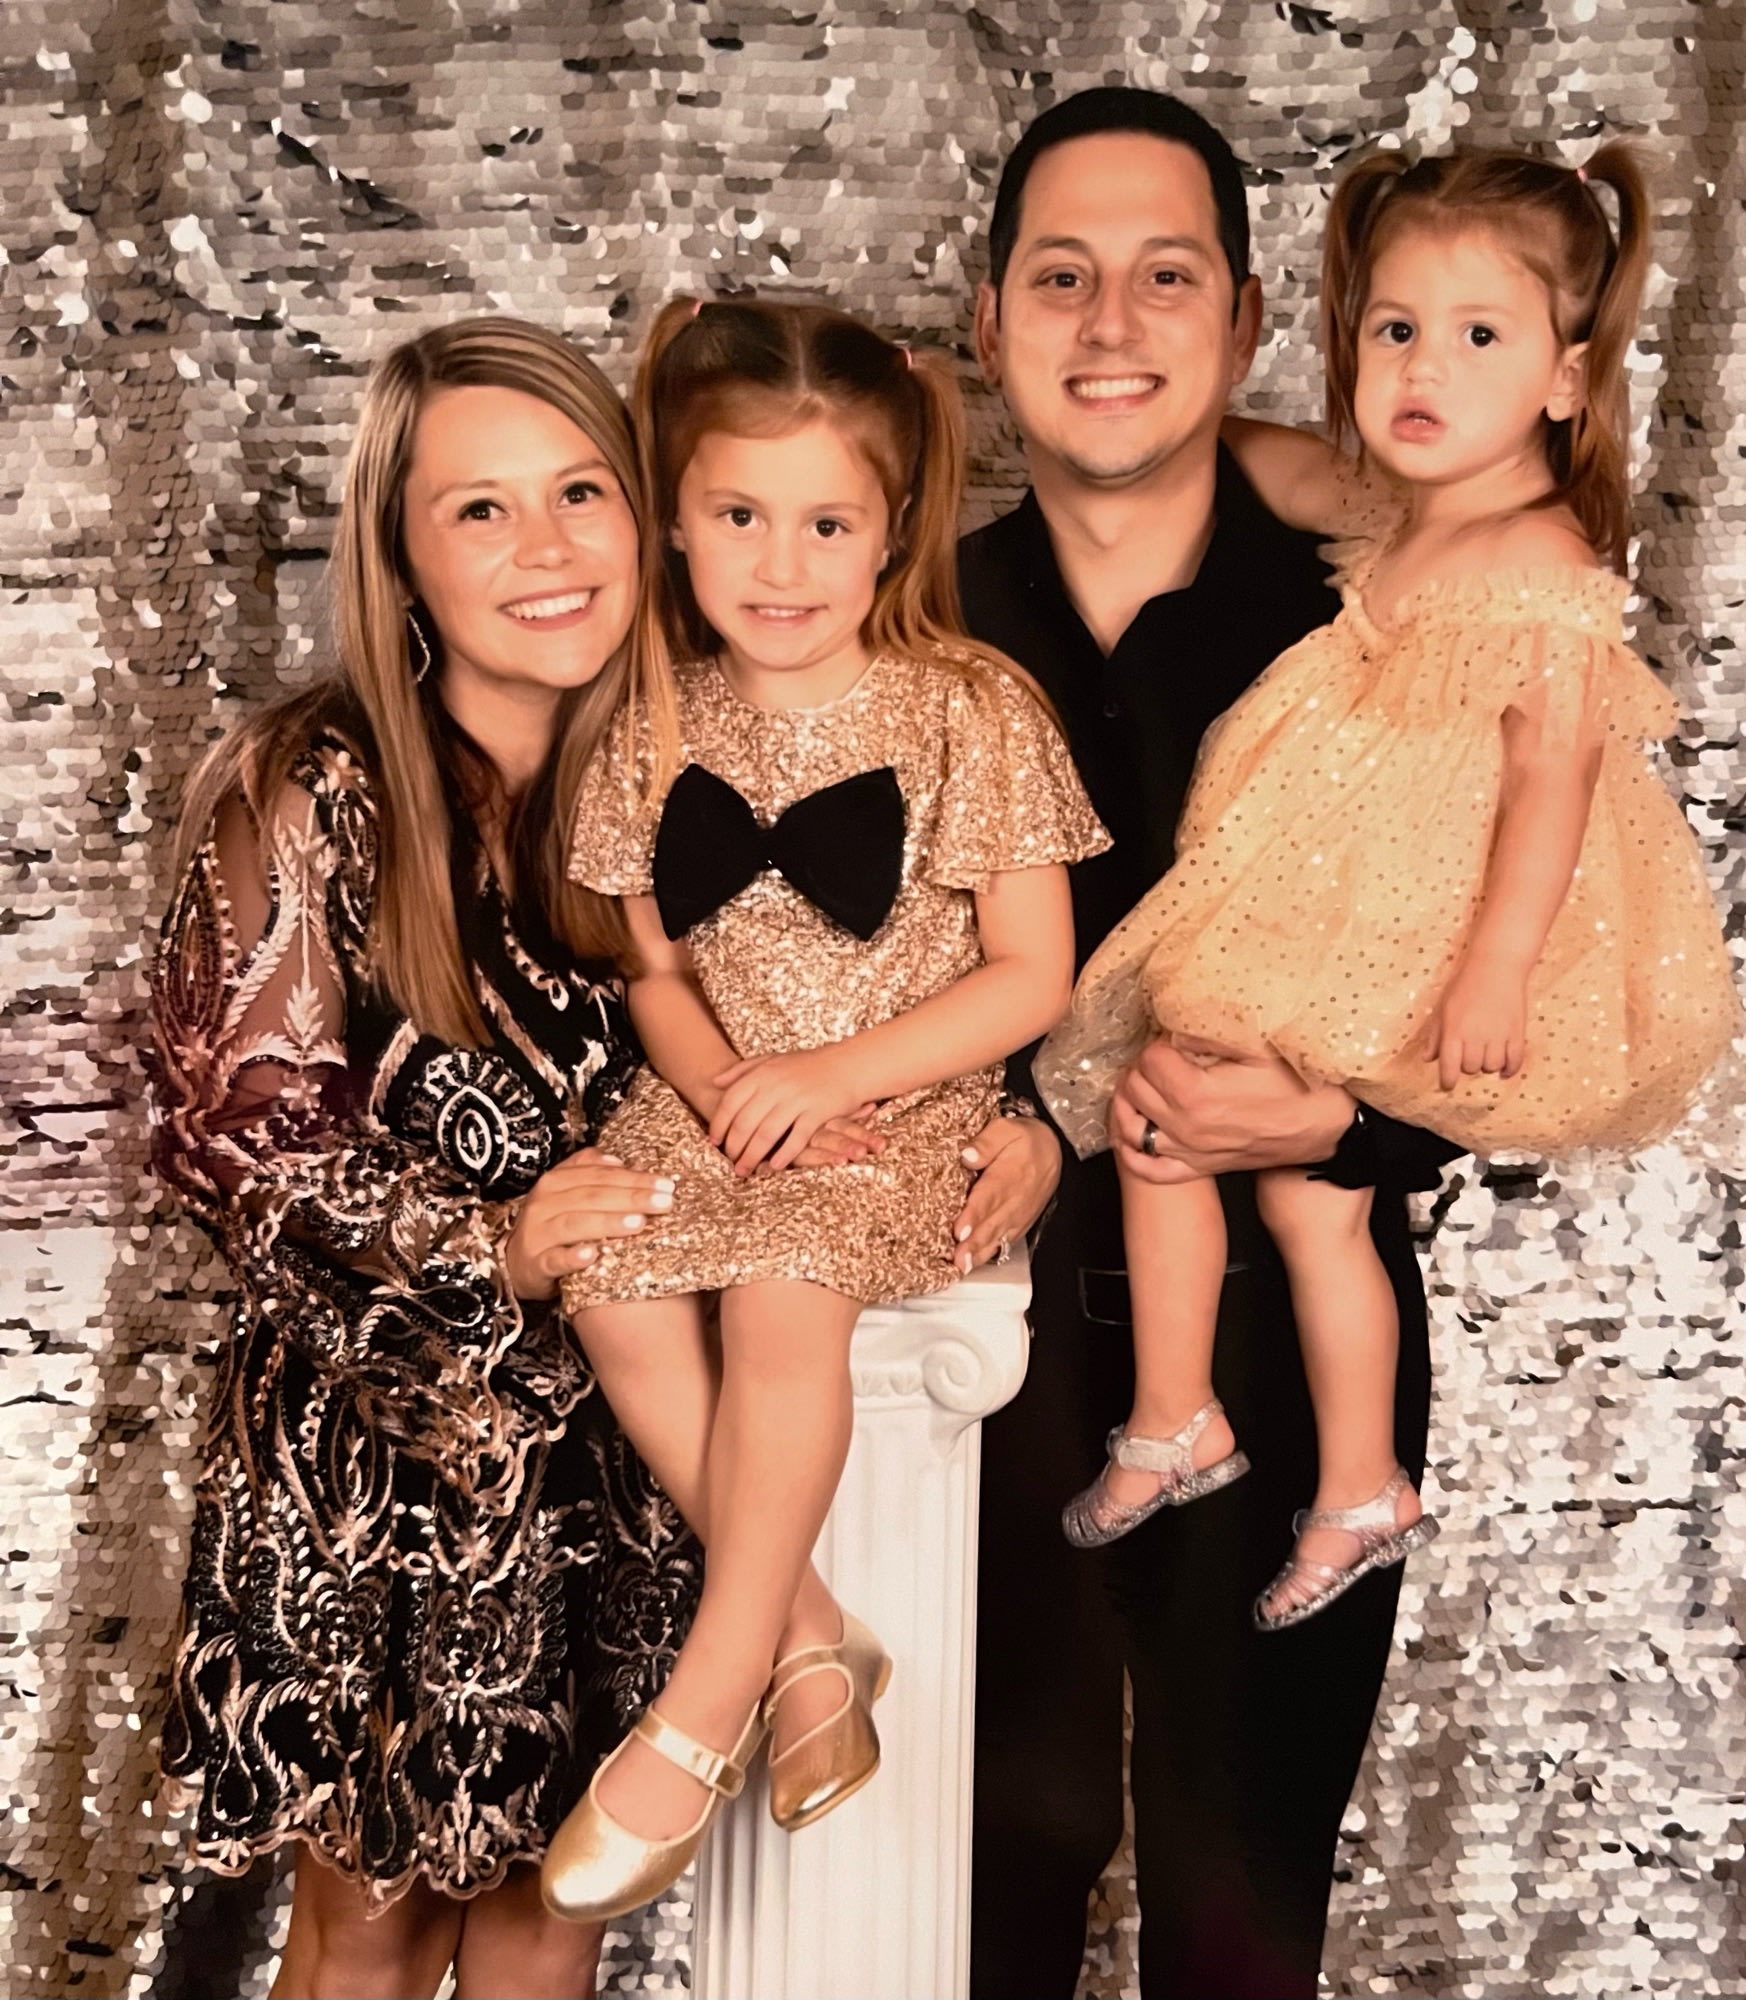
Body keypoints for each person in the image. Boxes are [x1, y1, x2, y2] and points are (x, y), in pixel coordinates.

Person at [1033, 142, 1741, 1629]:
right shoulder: (1413, 514)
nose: (1423, 367)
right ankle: (1250, 1443)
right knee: (1223, 1158)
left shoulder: (1534, 558)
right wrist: (1168, 405)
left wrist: (1496, 967)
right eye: (1394, 330)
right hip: (1326, 901)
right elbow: (1272, 455)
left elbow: (1551, 784)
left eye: (1479, 336)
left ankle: (1272, 1452)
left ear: (1566, 378)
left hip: (1408, 930)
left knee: (1243, 1149)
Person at [955, 89, 1459, 1999]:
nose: (1110, 324)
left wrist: (1346, 1116)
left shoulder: (1379, 625)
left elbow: (1531, 971)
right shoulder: (891, 615)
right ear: (987, 319)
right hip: (957, 1358)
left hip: (1288, 1340)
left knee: (1241, 1915)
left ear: (1245, 324)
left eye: (1165, 278)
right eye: (1060, 278)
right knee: (971, 1902)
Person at [535, 298, 1106, 1925]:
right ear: (673, 518)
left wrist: (829, 1079)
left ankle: (705, 1702)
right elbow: (652, 969)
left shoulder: (969, 708)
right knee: (609, 1278)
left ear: (891, 527)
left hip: (896, 1101)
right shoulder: (649, 718)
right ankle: (805, 1633)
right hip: (714, 1100)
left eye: (826, 525)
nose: (779, 564)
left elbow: (1032, 975)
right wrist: (727, 1085)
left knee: (783, 1296)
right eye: (737, 516)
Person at [148, 317, 690, 1999]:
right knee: (371, 1934)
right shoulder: (309, 788)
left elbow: (870, 999)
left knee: (551, 1924)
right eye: (479, 510)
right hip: (379, 1465)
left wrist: (1002, 1134)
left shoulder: (695, 780)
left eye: (581, 491)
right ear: (399, 560)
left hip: (624, 1461)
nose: (547, 548)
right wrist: (490, 1246)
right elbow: (234, 1136)